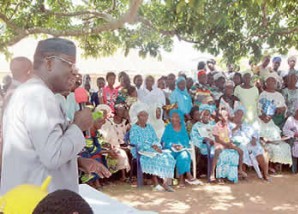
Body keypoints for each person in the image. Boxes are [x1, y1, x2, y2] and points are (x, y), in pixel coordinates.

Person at [1, 38, 107, 194]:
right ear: (49, 63)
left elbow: (39, 149)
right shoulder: (39, 96)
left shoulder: (30, 92)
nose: (75, 72)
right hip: (38, 201)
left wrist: (76, 162)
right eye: (70, 64)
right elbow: (53, 156)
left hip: (27, 197)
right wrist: (78, 126)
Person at [129, 102, 176, 192]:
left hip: (153, 149)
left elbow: (155, 139)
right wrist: (151, 147)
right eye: (142, 116)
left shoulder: (150, 127)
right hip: (141, 151)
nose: (145, 118)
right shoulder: (134, 128)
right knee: (154, 157)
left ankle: (165, 182)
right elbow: (136, 142)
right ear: (138, 116)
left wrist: (157, 146)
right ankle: (156, 183)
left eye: (146, 115)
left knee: (168, 156)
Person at [258, 73, 292, 170]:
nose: (271, 83)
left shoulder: (279, 95)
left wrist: (280, 109)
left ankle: (275, 163)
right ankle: (267, 165)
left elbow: (284, 107)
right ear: (266, 83)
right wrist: (265, 116)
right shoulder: (263, 94)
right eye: (269, 81)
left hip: (277, 121)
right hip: (265, 121)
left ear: (276, 83)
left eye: (273, 81)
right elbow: (259, 109)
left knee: (278, 142)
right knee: (266, 141)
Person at [161, 109, 202, 187]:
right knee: (172, 155)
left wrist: (182, 146)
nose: (174, 119)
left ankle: (181, 180)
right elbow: (164, 140)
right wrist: (172, 145)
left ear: (180, 118)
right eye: (172, 117)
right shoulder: (168, 127)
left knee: (184, 156)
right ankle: (188, 174)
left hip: (180, 149)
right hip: (170, 150)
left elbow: (186, 140)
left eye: (176, 117)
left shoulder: (183, 127)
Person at [230, 106, 270, 181]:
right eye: (238, 114)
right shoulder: (230, 124)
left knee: (260, 151)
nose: (239, 116)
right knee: (243, 148)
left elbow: (254, 132)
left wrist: (254, 139)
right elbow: (228, 135)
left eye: (241, 114)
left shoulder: (246, 124)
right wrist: (236, 127)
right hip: (239, 143)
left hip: (250, 142)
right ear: (234, 114)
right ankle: (243, 173)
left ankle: (265, 174)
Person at [212, 108, 247, 182]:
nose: (226, 117)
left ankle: (240, 169)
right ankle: (212, 173)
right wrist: (226, 144)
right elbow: (217, 139)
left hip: (227, 143)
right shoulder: (216, 126)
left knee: (240, 151)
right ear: (219, 117)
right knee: (217, 152)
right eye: (224, 116)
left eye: (227, 116)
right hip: (220, 143)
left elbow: (229, 135)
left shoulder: (227, 126)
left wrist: (230, 142)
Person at [100, 104, 131, 181]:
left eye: (124, 110)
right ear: (116, 111)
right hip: (111, 144)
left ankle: (124, 176)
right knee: (121, 153)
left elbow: (128, 134)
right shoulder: (109, 122)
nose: (123, 112)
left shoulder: (126, 122)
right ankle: (122, 176)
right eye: (121, 110)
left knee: (127, 150)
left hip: (122, 143)